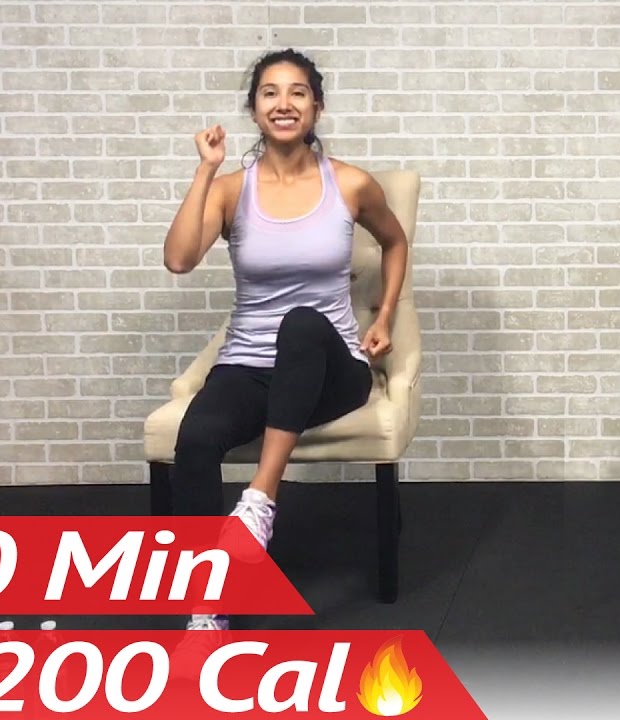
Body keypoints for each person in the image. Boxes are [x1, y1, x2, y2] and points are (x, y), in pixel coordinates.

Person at [162, 49, 409, 635]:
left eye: (298, 92)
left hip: (332, 368)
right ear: (254, 110)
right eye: (270, 93)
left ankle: (259, 502)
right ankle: (207, 603)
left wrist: (384, 315)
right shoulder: (231, 190)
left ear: (316, 107)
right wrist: (205, 171)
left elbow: (395, 242)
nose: (284, 103)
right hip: (249, 365)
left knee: (300, 323)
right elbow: (178, 260)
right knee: (195, 440)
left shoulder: (350, 183)